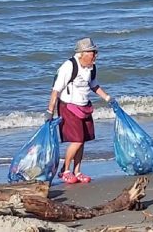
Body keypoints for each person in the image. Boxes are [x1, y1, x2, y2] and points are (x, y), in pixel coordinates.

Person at [45, 37, 115, 184]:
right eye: (92, 52)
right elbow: (55, 90)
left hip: (84, 106)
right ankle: (65, 170)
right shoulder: (69, 66)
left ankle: (77, 171)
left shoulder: (91, 67)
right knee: (77, 140)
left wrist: (109, 98)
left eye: (95, 52)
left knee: (83, 141)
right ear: (82, 53)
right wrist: (50, 111)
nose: (95, 55)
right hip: (68, 107)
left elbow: (94, 85)